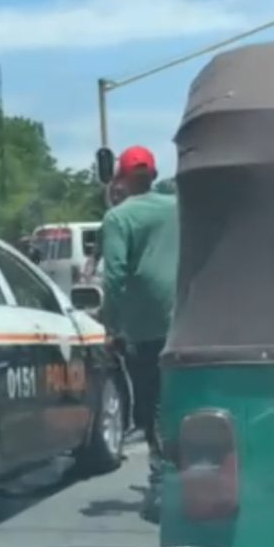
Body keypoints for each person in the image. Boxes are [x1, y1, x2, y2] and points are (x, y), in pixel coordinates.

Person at [99, 145, 179, 524]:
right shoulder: (178, 207)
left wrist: (109, 322)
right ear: (154, 172)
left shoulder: (118, 218)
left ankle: (163, 487)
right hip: (186, 322)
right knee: (183, 403)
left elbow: (113, 276)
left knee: (152, 408)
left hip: (144, 329)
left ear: (122, 178)